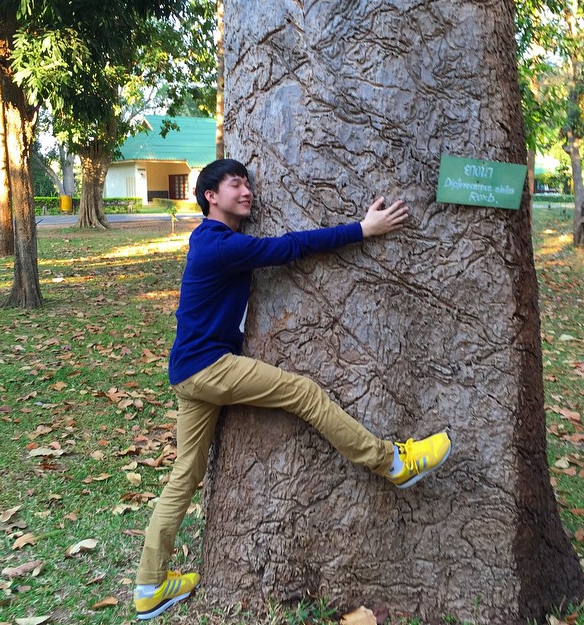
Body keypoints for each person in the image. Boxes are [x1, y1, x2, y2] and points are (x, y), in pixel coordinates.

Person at [133, 159, 452, 620]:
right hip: (209, 368)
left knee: (185, 473)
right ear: (210, 196)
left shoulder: (210, 241)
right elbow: (290, 248)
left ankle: (149, 586)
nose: (247, 192)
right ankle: (393, 462)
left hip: (187, 374)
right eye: (235, 185)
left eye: (248, 184)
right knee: (303, 393)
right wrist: (363, 228)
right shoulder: (218, 245)